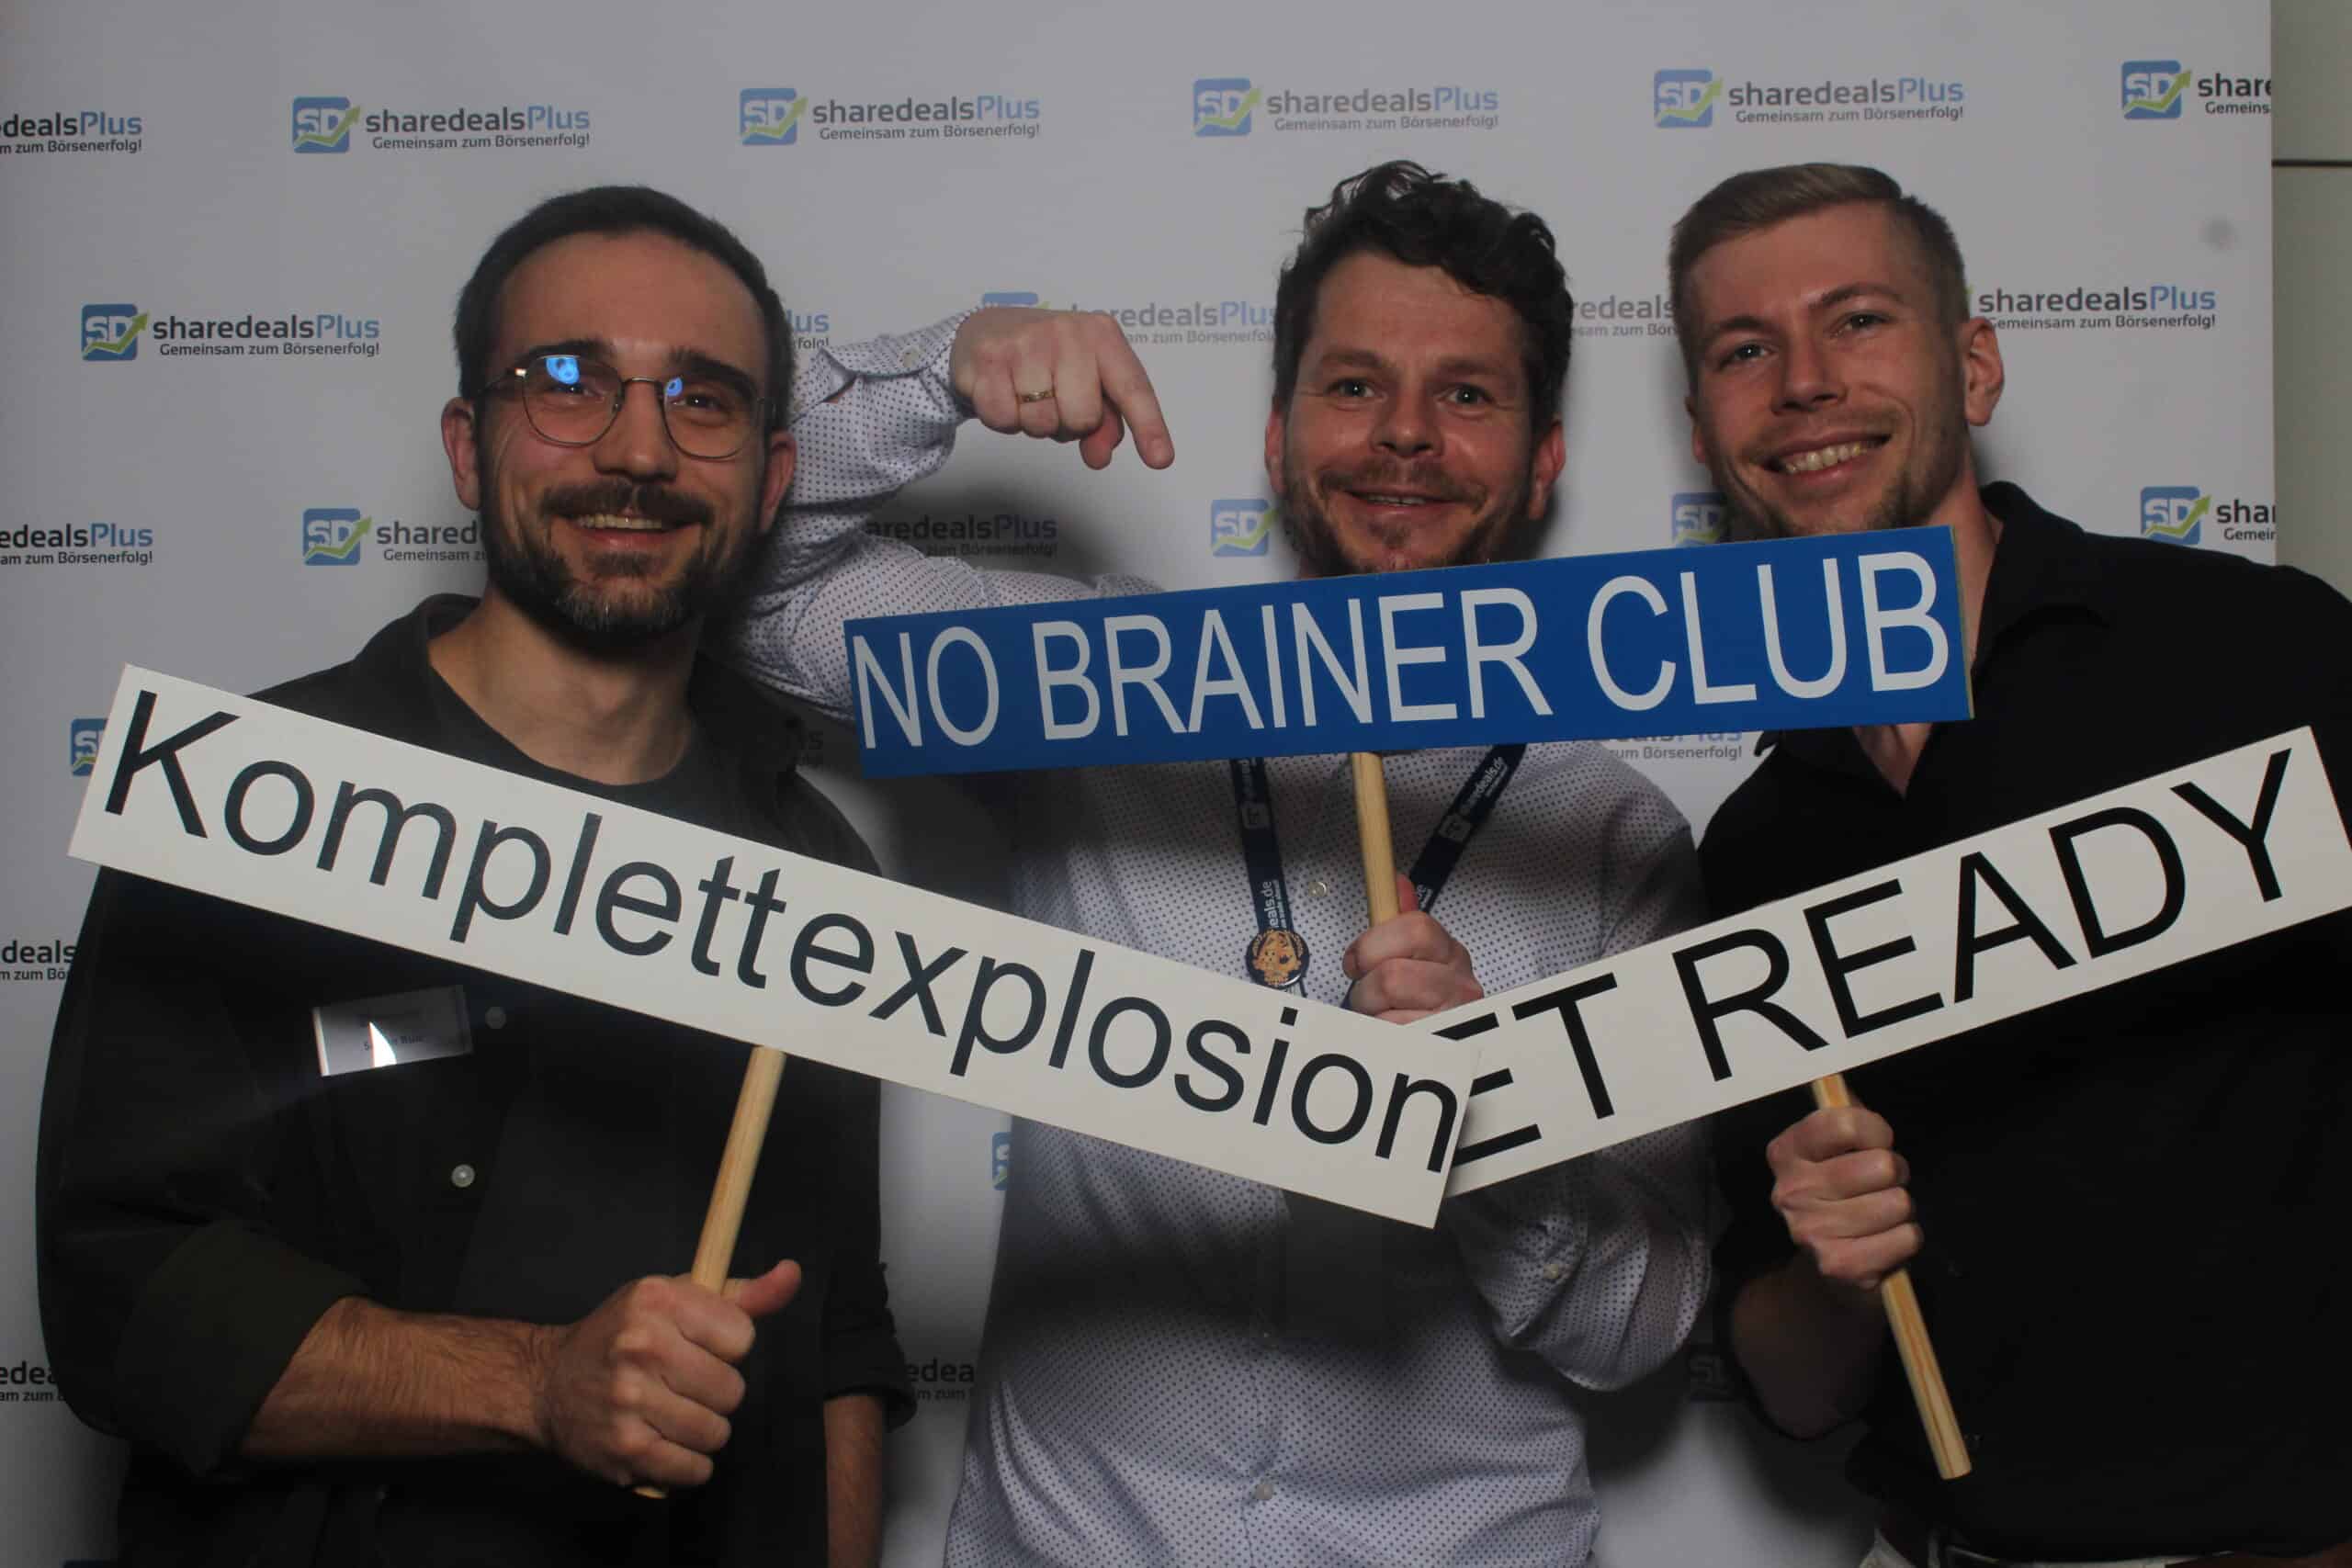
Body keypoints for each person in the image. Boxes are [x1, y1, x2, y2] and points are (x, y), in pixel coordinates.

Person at [737, 161, 1710, 1567]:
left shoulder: (1618, 838)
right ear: (1277, 434)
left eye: (1467, 395)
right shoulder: (1101, 686)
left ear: (1543, 458)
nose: (1406, 434)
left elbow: (1647, 1327)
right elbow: (756, 593)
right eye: (1354, 385)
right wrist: (940, 371)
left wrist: (1488, 1125)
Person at [37, 186, 910, 1568]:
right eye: (565, 381)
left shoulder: (815, 873)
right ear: (466, 445)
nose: (638, 450)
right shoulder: (245, 802)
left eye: (703, 399)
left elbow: (838, 1339)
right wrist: (535, 1382)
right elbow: (121, 1297)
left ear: (771, 478)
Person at [1679, 164, 2352, 1567]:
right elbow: (1796, 1393)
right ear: (1708, 431)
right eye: (1744, 351)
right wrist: (1832, 1272)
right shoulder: (1761, 844)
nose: (1803, 382)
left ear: (1974, 366)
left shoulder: (2265, 656)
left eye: (1859, 320)